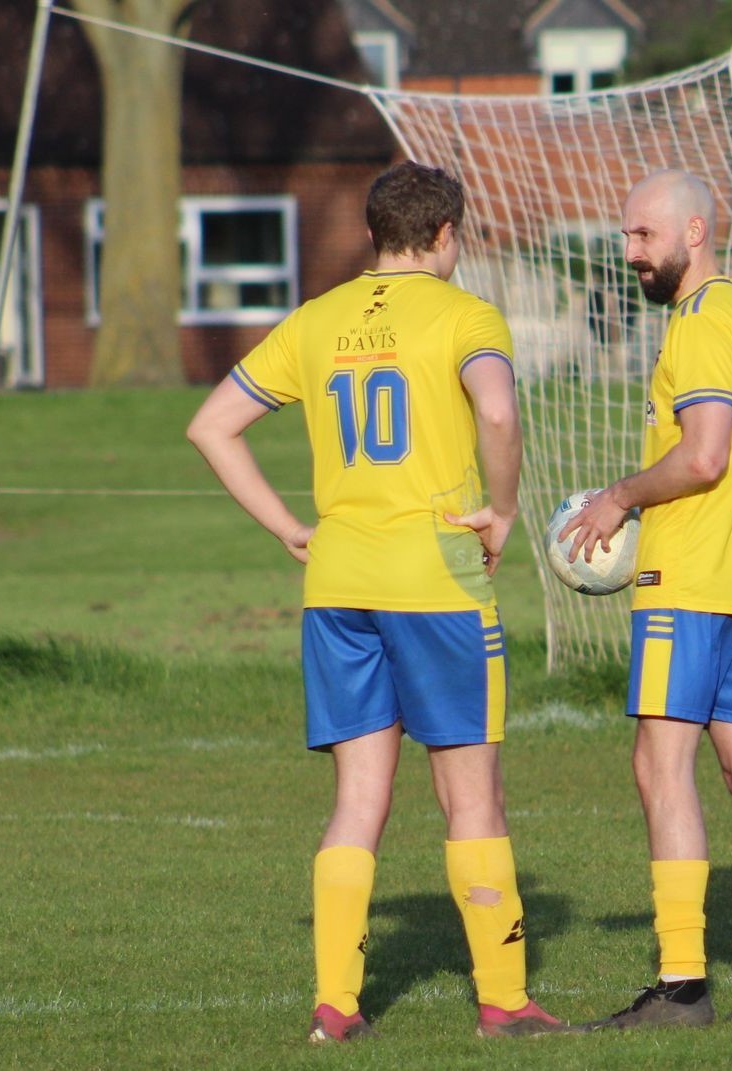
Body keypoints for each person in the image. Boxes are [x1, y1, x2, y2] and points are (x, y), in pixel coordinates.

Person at [184, 162, 567, 1042]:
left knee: (359, 798)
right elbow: (500, 416)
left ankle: (336, 1007)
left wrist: (288, 525)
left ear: (370, 233)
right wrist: (503, 510)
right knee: (471, 799)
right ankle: (504, 1002)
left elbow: (211, 425)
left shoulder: (316, 321)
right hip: (435, 583)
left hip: (340, 584)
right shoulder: (467, 315)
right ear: (445, 236)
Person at [560, 170, 732, 1027]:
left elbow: (703, 457)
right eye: (628, 237)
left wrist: (619, 497)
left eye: (642, 237)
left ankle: (682, 984)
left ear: (694, 231)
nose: (631, 253)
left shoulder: (699, 326)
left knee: (659, 766)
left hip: (686, 583)